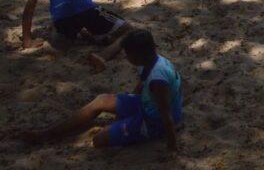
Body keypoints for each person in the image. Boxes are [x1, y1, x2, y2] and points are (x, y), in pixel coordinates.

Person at [19, 29, 182, 153]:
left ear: (138, 55)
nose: (126, 57)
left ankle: (134, 128)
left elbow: (166, 114)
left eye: (128, 54)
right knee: (101, 100)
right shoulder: (152, 60)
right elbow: (141, 84)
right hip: (147, 105)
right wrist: (130, 102)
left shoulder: (157, 81)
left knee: (99, 140)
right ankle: (48, 133)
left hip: (155, 122)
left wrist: (172, 146)